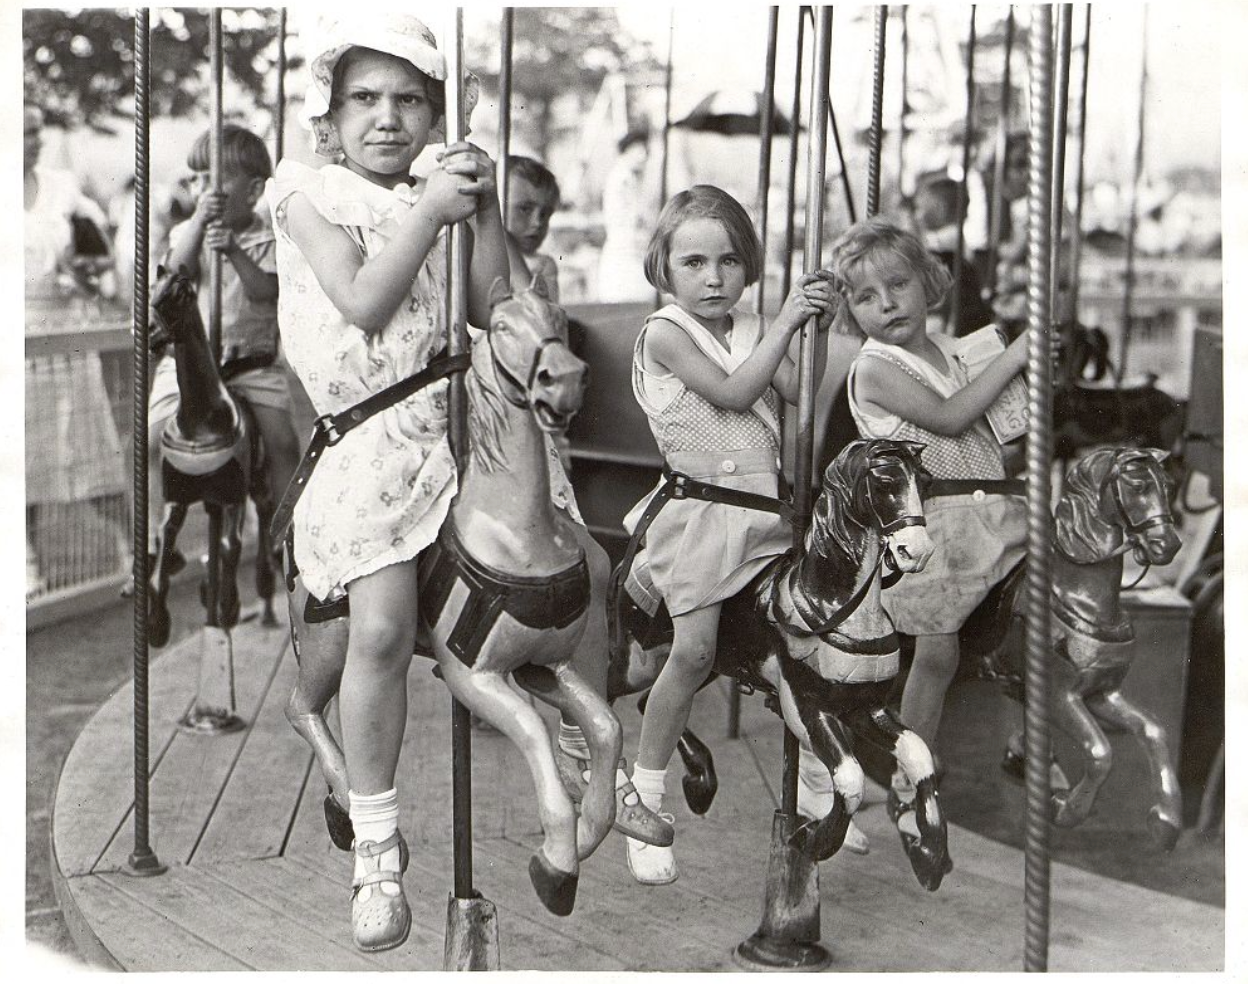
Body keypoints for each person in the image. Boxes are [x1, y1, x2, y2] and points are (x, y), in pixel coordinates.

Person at [619, 185, 838, 884]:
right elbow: (739, 393)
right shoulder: (665, 333)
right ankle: (645, 798)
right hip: (699, 515)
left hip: (765, 515)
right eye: (694, 263)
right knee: (694, 652)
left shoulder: (750, 324)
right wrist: (786, 326)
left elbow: (800, 395)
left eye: (730, 262)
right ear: (664, 268)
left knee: (808, 643)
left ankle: (817, 785)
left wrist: (818, 328)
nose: (714, 279)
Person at [830, 217, 1027, 838]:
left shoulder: (953, 348)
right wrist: (1017, 355)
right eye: (866, 296)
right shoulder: (874, 369)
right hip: (925, 522)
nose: (887, 303)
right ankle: (908, 775)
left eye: (899, 283)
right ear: (851, 311)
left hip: (991, 508)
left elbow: (995, 430)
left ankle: (1031, 742)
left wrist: (1025, 378)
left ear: (928, 281)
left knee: (1041, 614)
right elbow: (949, 418)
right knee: (937, 651)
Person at [144, 124, 301, 576]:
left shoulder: (271, 237)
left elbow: (267, 293)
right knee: (146, 441)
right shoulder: (184, 234)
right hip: (190, 365)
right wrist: (196, 226)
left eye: (212, 180)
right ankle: (151, 544)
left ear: (252, 191)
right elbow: (171, 280)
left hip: (251, 366)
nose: (200, 190)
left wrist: (233, 250)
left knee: (282, 443)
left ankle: (286, 538)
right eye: (194, 180)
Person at [24, 102, 128, 598]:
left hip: (67, 328)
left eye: (35, 132)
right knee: (20, 459)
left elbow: (102, 250)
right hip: (16, 338)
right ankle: (26, 568)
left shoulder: (62, 188)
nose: (32, 142)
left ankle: (138, 552)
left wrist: (82, 270)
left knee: (89, 451)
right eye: (21, 134)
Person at [909, 172, 994, 336]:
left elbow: (923, 252)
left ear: (941, 208)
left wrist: (913, 228)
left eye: (920, 209)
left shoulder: (952, 235)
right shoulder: (948, 237)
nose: (917, 216)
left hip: (958, 306)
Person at [503, 154, 561, 302]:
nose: (537, 222)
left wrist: (506, 243)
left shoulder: (542, 267)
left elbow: (539, 316)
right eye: (524, 209)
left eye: (545, 214)